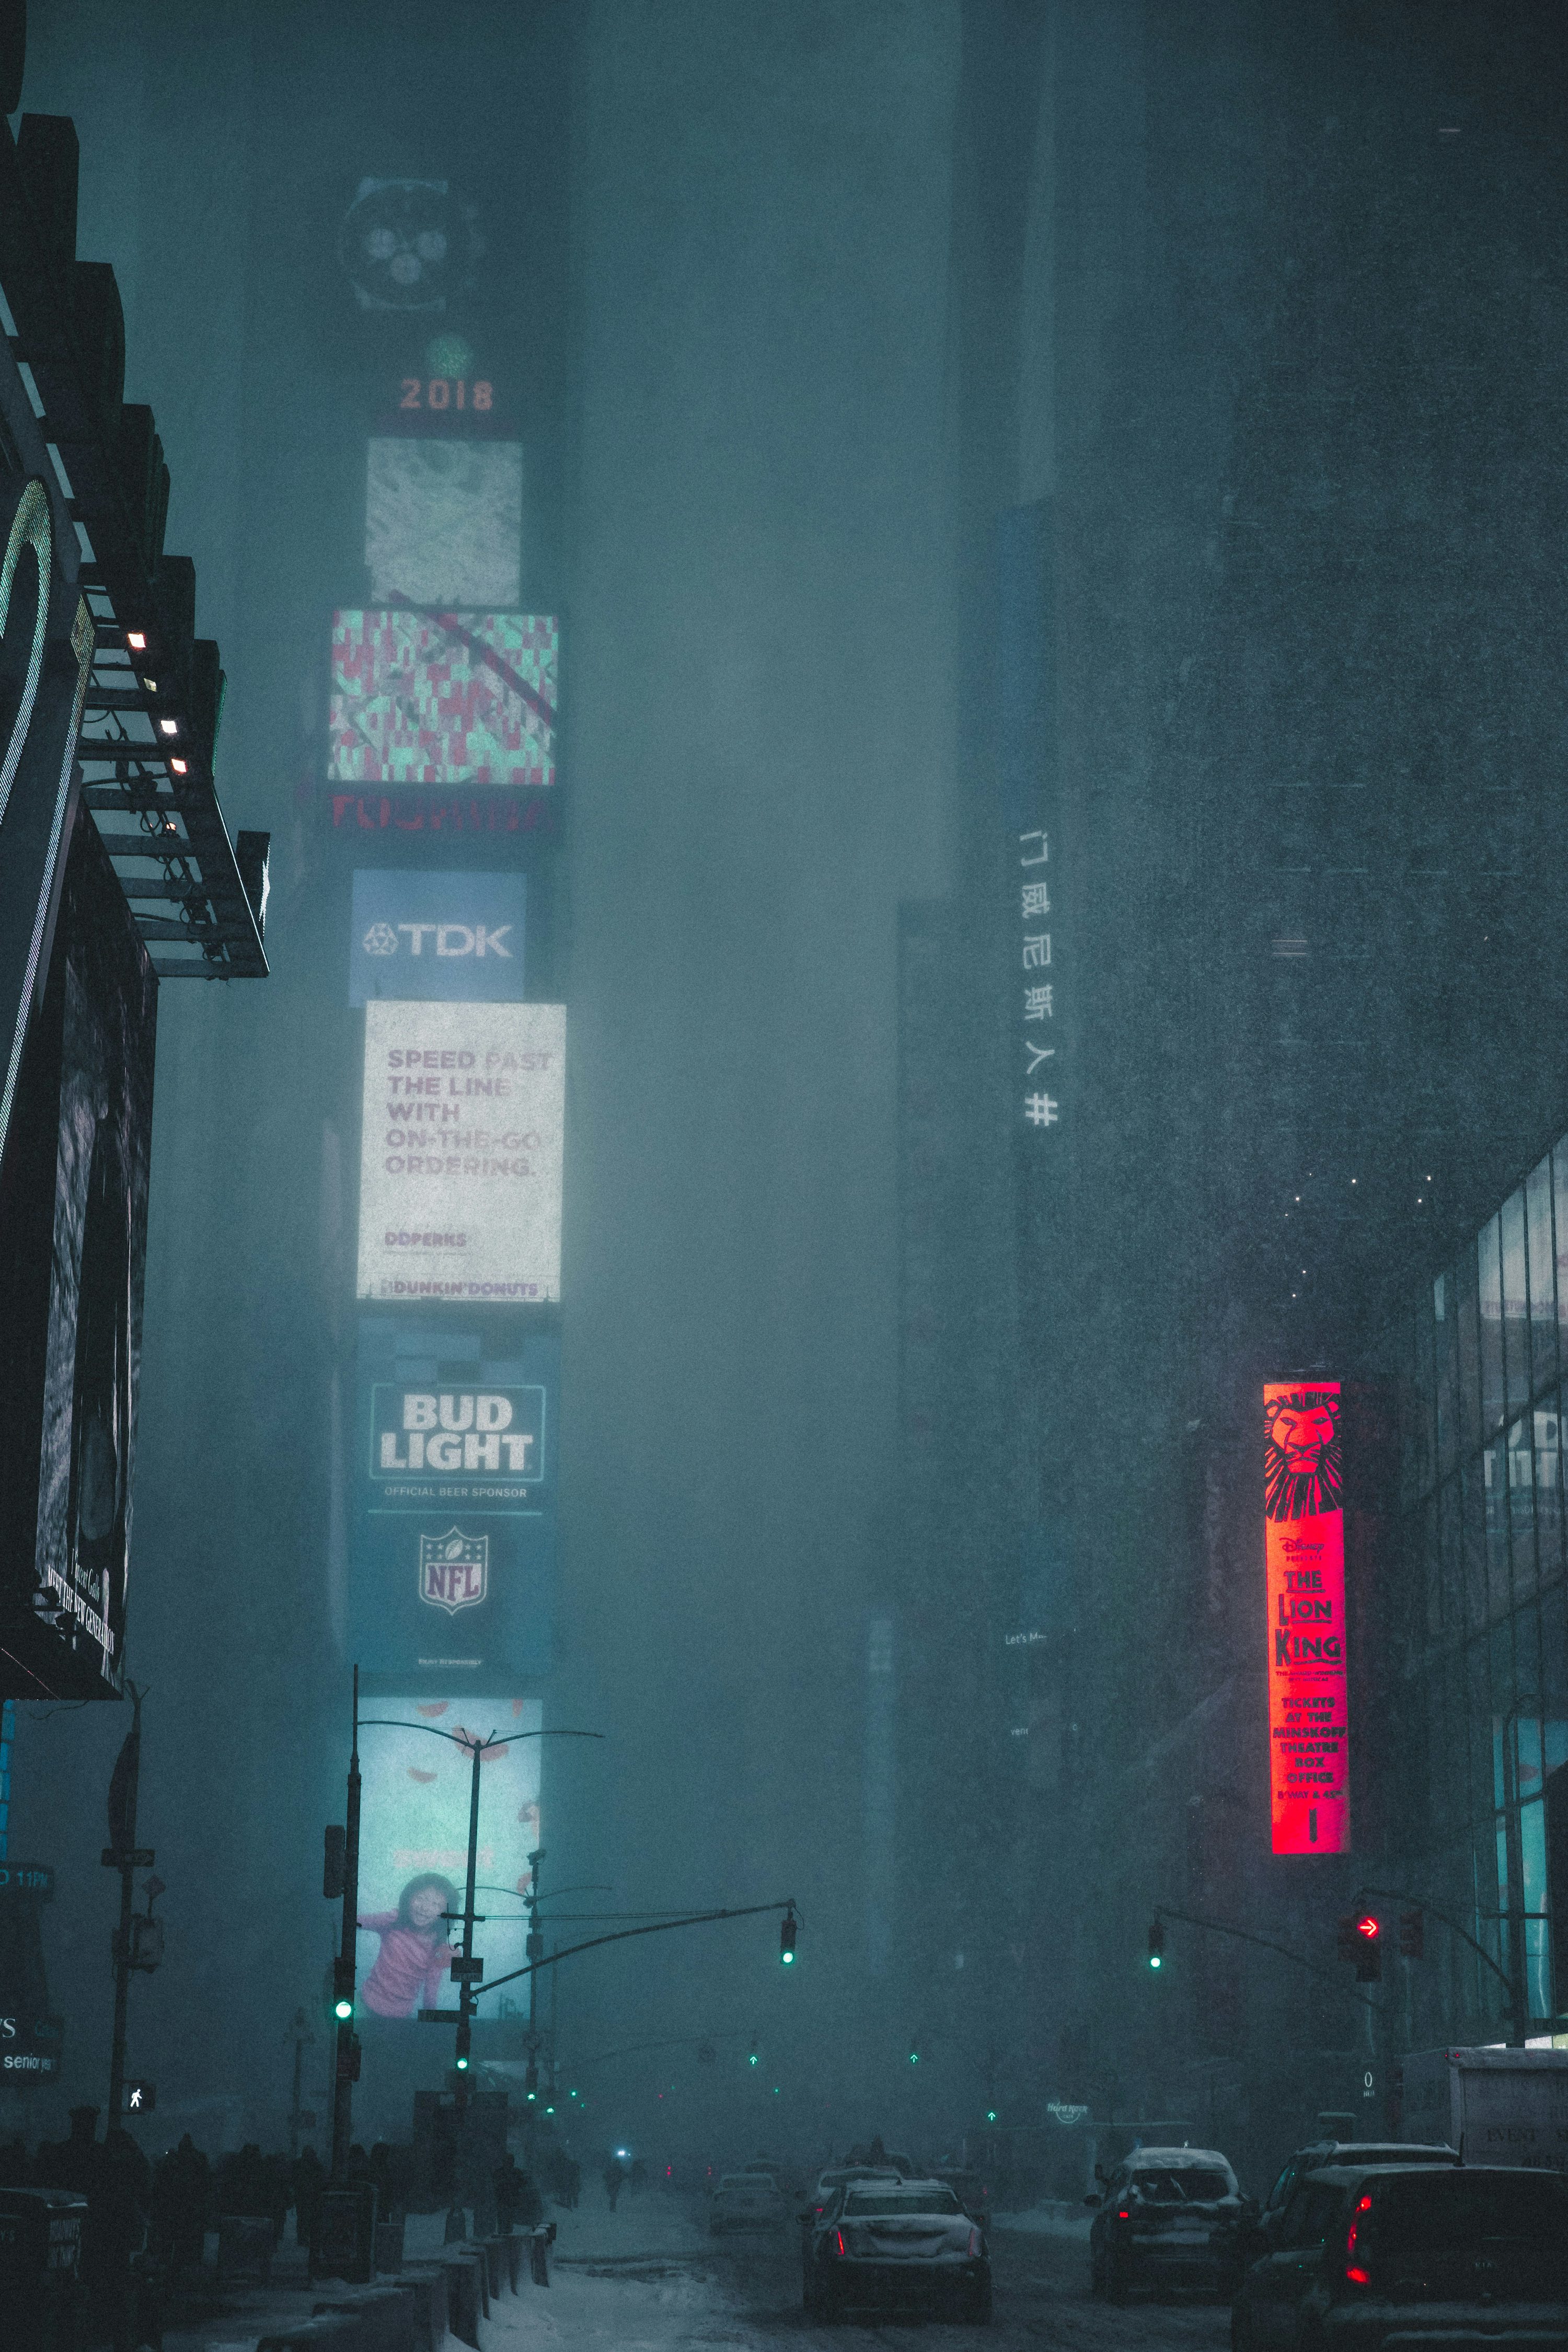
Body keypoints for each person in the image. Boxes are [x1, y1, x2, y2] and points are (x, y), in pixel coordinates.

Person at [356, 1875, 458, 2019]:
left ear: (445, 1914)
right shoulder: (394, 1921)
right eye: (421, 1898)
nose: (425, 1908)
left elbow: (430, 1993)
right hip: (364, 2004)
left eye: (435, 1905)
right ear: (408, 1898)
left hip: (400, 2017)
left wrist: (433, 2025)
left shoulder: (439, 1949)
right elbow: (357, 1921)